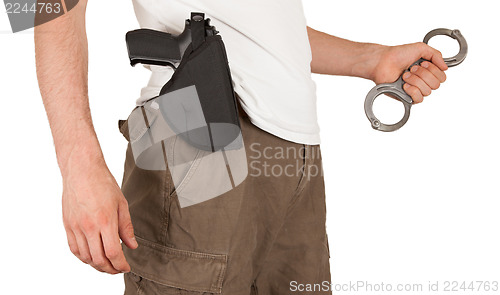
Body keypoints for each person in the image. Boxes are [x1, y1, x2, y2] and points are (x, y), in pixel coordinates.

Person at [35, 0, 448, 294]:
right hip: (195, 130)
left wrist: (370, 59)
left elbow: (260, 29)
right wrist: (79, 167)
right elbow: (39, 4)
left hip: (295, 150)